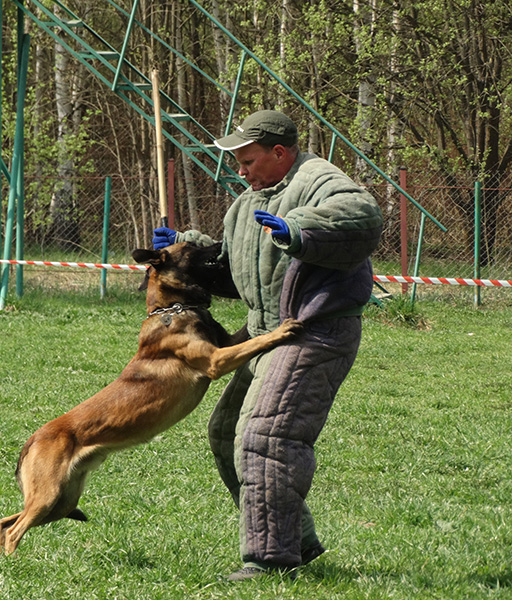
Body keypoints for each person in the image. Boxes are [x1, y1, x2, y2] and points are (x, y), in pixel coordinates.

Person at [152, 110, 383, 580]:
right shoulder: (247, 204)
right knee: (225, 433)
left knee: (267, 437)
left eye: (248, 160)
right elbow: (241, 274)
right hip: (265, 333)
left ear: (280, 152)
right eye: (237, 162)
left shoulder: (319, 179)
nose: (241, 171)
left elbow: (362, 216)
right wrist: (185, 252)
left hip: (312, 331)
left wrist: (299, 231)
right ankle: (295, 540)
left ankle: (270, 560)